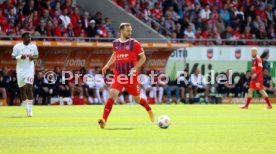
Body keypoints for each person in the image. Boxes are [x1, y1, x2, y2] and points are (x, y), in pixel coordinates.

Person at [98, 23, 154, 129]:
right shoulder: (115, 43)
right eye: (128, 30)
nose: (130, 32)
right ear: (122, 31)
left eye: (130, 30)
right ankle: (104, 120)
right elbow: (115, 54)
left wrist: (135, 68)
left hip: (131, 76)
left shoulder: (135, 43)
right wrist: (107, 65)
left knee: (137, 99)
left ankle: (149, 109)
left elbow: (143, 58)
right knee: (112, 94)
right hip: (119, 75)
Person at [12, 31, 39, 116]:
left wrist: (33, 58)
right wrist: (20, 57)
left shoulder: (33, 46)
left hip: (30, 70)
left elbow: (36, 55)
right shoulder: (17, 47)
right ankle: (26, 105)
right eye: (28, 37)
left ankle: (30, 109)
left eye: (30, 37)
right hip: (20, 71)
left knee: (29, 87)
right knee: (22, 90)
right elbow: (13, 57)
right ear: (23, 38)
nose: (29, 38)